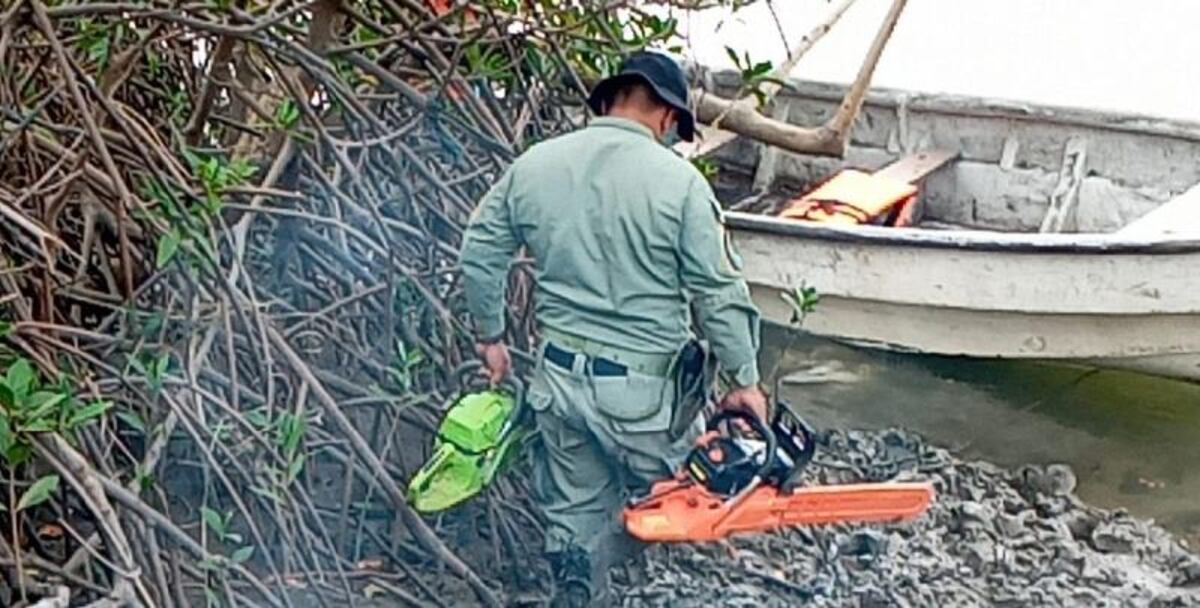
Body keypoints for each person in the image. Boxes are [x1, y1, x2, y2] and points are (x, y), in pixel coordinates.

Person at [458, 50, 767, 607]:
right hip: (644, 397)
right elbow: (719, 293)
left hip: (558, 383)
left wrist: (491, 336)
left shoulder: (535, 164)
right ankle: (619, 549)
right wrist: (744, 379)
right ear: (669, 117)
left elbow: (480, 250)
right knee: (685, 487)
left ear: (606, 101)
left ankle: (579, 579)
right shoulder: (681, 184)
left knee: (575, 507)